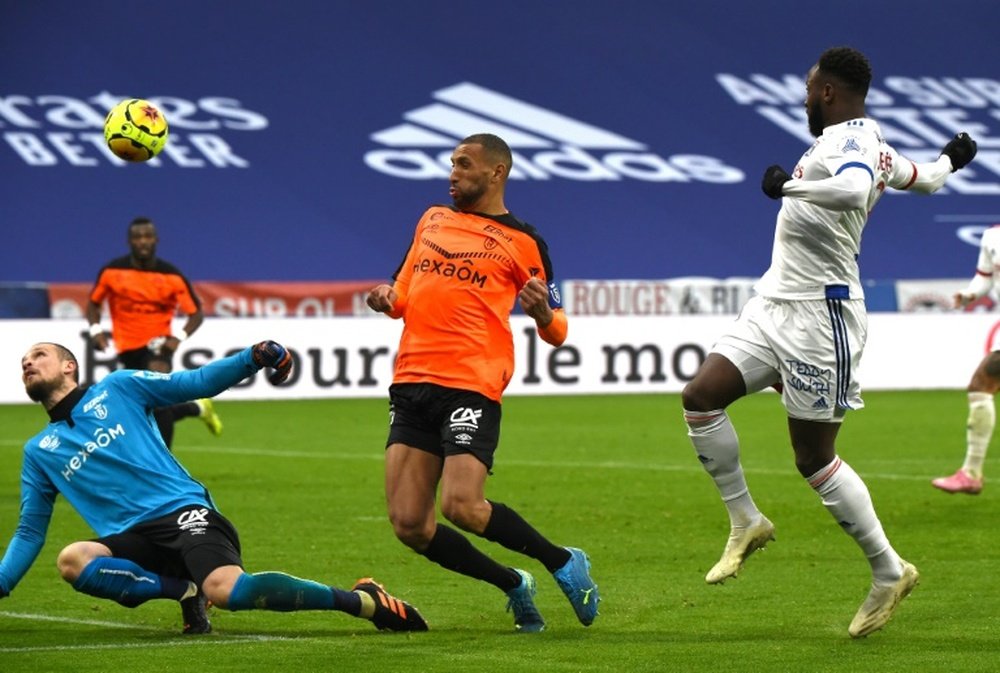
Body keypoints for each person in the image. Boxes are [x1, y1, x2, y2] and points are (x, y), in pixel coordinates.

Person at [680, 46, 977, 638]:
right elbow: (930, 180)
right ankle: (746, 521)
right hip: (774, 305)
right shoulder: (875, 143)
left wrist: (784, 190)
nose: (803, 99)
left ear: (828, 93)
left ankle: (889, 570)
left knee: (813, 457)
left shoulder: (851, 146)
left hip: (824, 316)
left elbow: (850, 189)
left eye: (809, 90)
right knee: (701, 396)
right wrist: (953, 156)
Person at [0, 341, 427, 634]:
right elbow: (29, 531)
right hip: (133, 540)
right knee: (73, 560)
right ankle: (186, 591)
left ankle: (362, 601)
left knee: (227, 591)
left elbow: (195, 383)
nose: (28, 363)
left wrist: (252, 357)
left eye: (39, 355)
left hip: (185, 514)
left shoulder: (117, 388)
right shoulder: (40, 451)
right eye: (23, 361)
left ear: (69, 366)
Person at [366, 133, 599, 633]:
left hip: (470, 382)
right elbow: (403, 293)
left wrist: (540, 315)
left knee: (462, 506)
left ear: (496, 173)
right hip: (411, 380)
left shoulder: (524, 242)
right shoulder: (431, 219)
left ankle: (561, 561)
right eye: (451, 163)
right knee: (410, 525)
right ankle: (513, 583)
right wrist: (387, 297)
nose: (453, 173)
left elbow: (558, 329)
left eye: (464, 164)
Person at [86, 216, 222, 449]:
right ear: (129, 241)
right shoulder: (112, 272)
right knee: (140, 409)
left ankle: (164, 467)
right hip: (127, 348)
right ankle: (197, 407)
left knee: (157, 400)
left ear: (156, 240)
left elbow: (196, 314)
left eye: (148, 236)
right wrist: (96, 329)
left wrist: (177, 338)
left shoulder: (172, 276)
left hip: (158, 347)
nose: (143, 242)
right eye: (138, 237)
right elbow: (93, 303)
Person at [932, 226, 1000, 495]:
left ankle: (971, 473)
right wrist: (971, 294)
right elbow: (985, 278)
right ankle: (970, 473)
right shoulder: (991, 236)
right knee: (982, 385)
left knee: (981, 384)